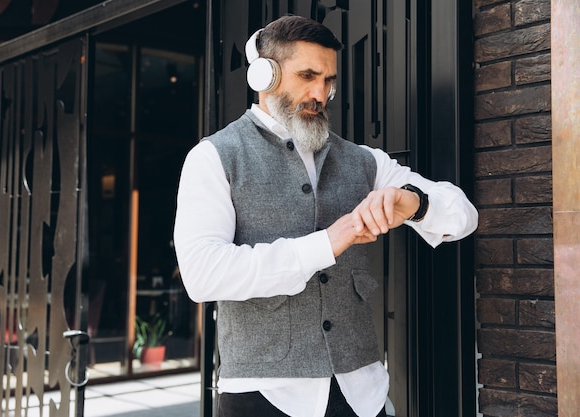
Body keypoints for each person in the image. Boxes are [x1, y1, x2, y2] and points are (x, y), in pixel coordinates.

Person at [174, 15, 478, 417]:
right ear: (265, 75)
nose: (320, 93)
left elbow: (463, 216)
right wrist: (327, 242)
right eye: (307, 76)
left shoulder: (363, 159)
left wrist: (413, 203)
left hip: (362, 394)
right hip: (264, 396)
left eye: (328, 80)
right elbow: (202, 274)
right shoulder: (214, 157)